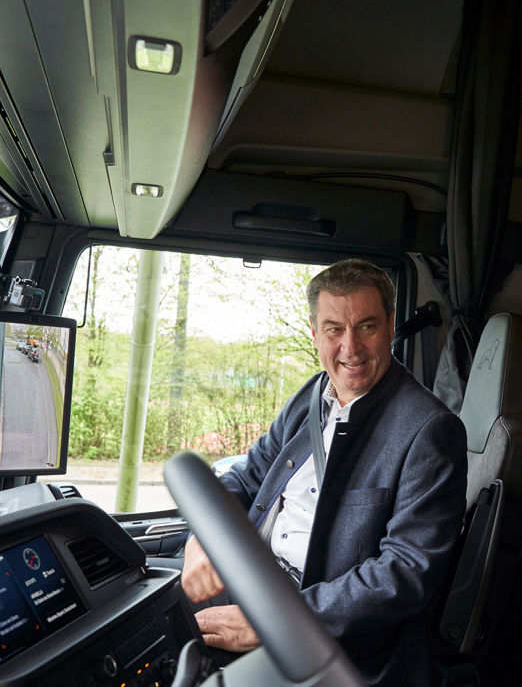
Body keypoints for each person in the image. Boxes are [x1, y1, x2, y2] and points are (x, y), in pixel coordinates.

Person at [179, 258, 468, 686]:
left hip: (330, 636)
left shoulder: (431, 430)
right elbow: (246, 475)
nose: (350, 348)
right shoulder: (312, 395)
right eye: (334, 329)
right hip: (256, 582)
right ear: (314, 332)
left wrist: (276, 621)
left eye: (366, 326)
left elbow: (406, 572)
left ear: (390, 325)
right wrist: (204, 534)